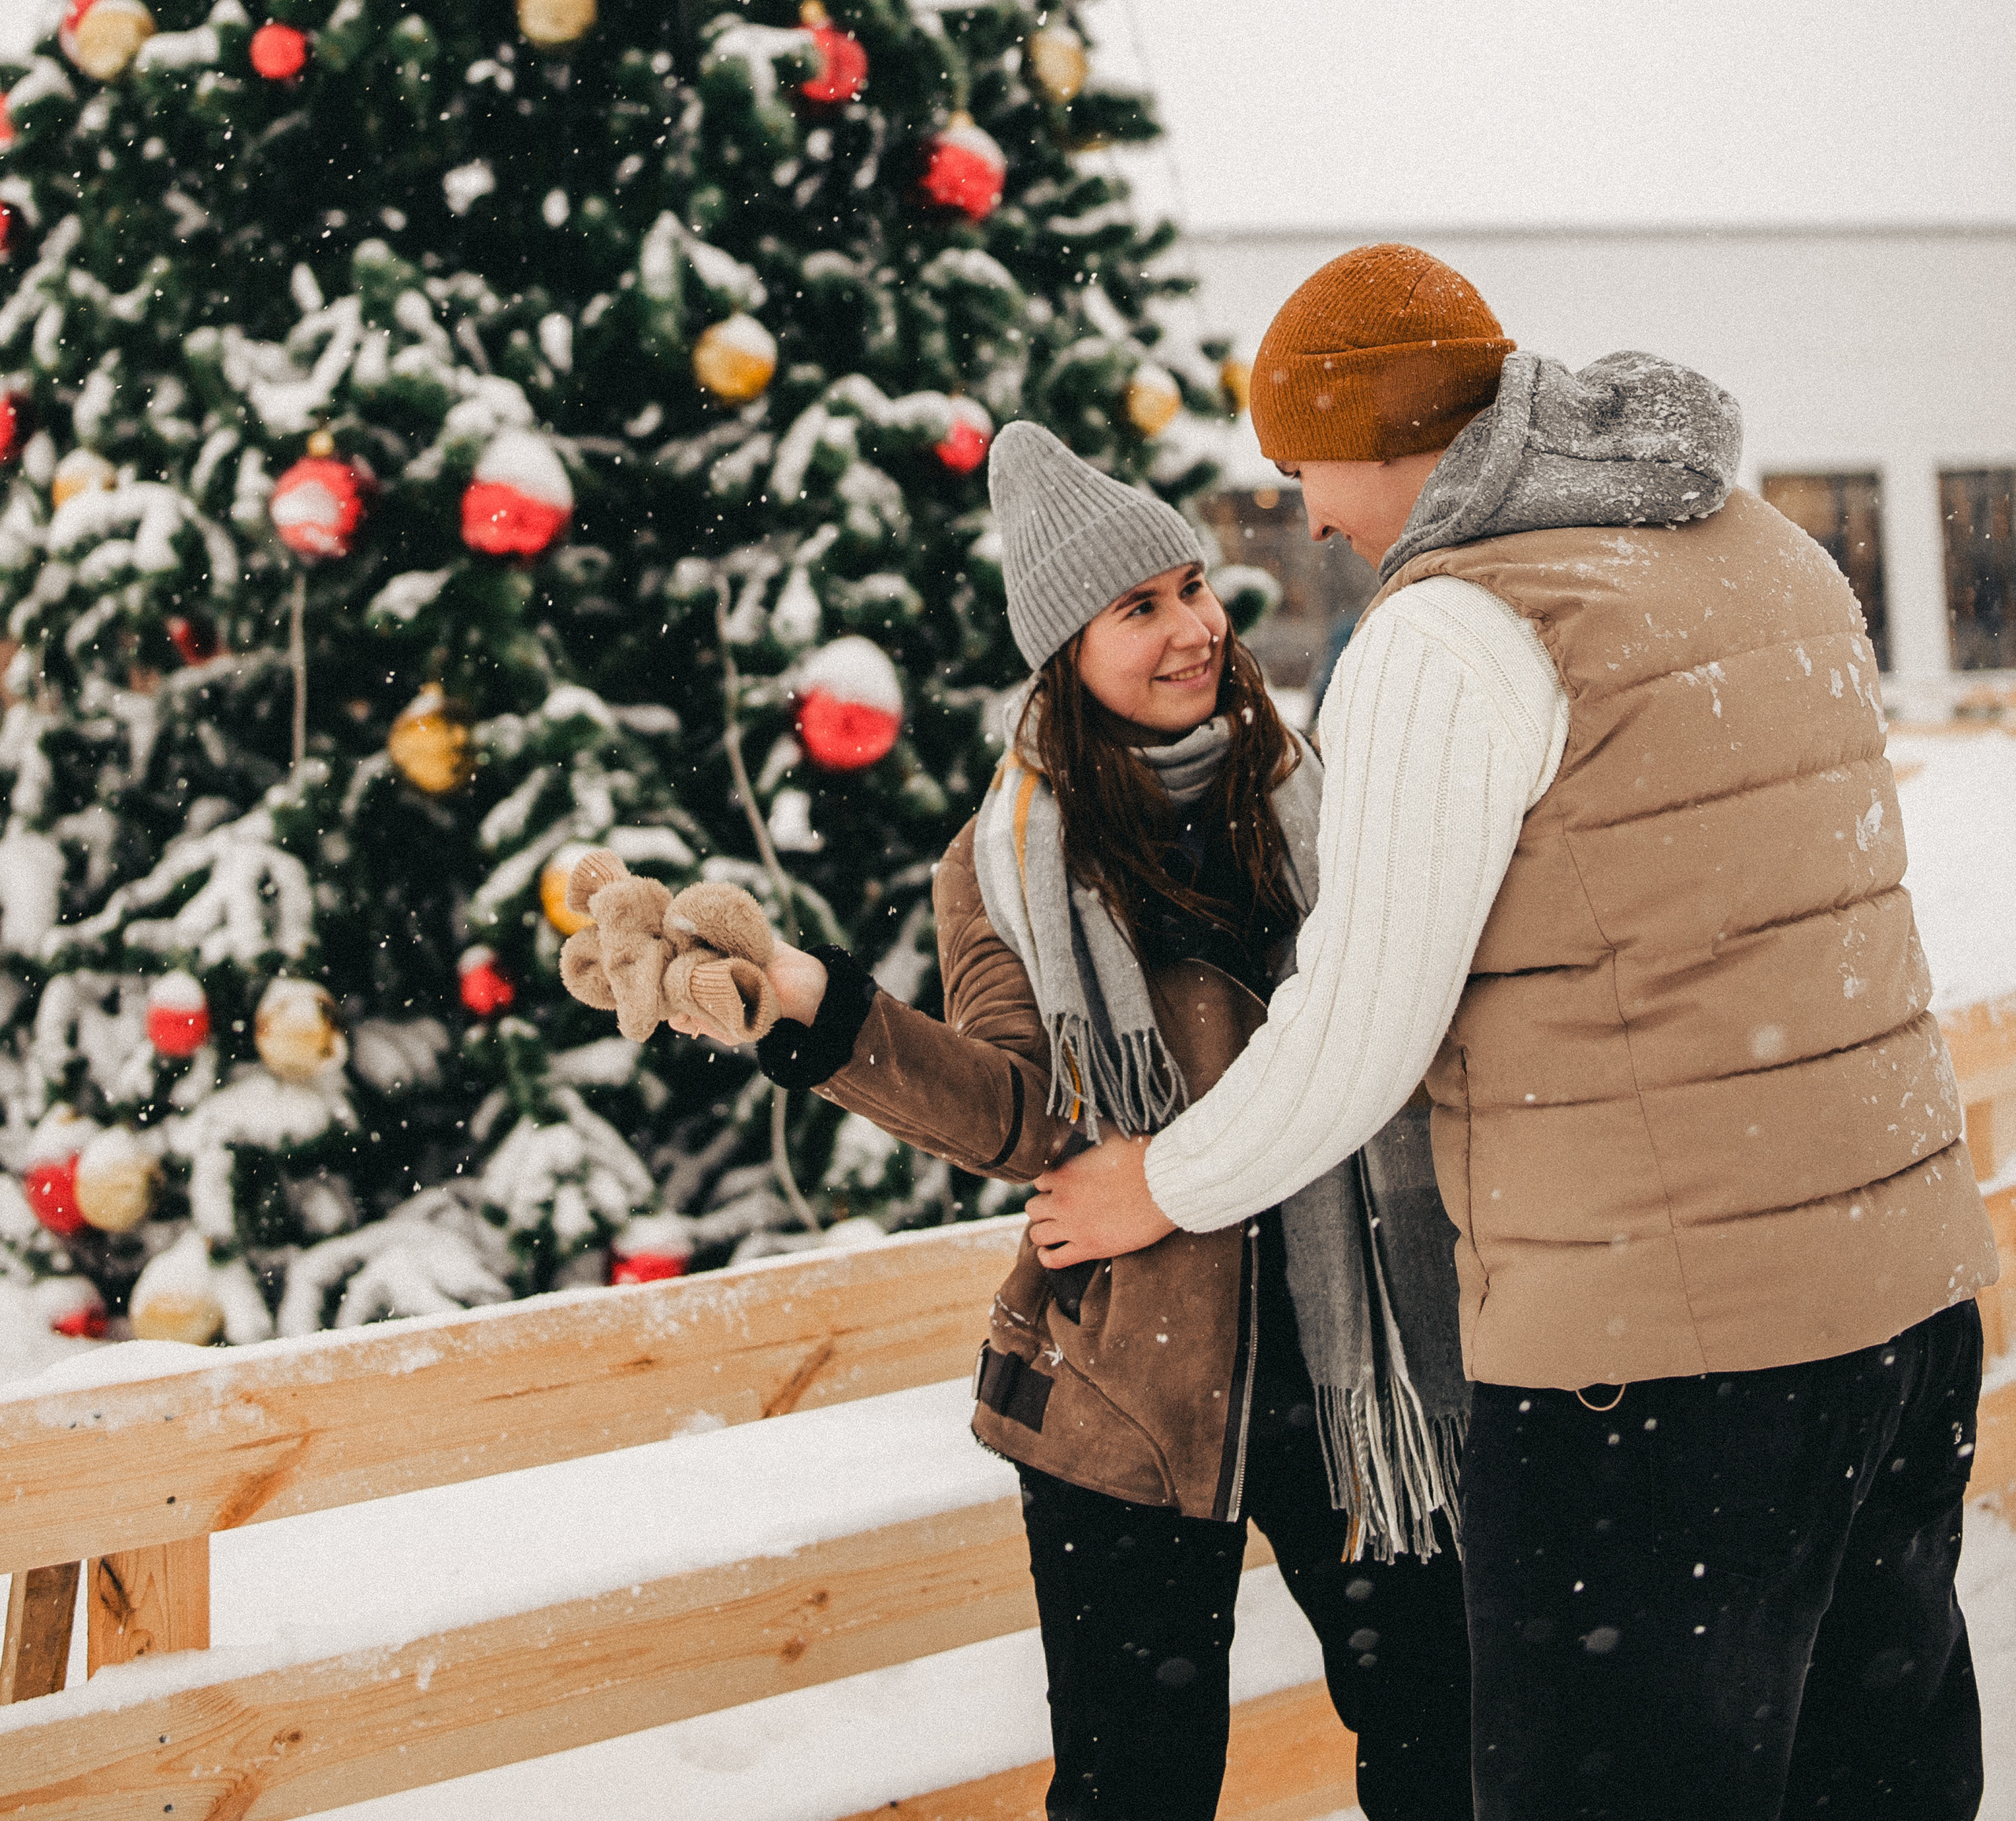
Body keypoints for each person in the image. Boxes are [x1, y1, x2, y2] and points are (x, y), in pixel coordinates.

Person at [1025, 244, 2000, 1821]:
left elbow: (1356, 1029)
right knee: (1863, 1783)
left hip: (1660, 1365)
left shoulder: (1451, 631)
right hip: (1897, 1315)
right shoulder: (1759, 551)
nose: (1315, 519)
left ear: (1373, 430)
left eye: (1304, 469)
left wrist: (1161, 1179)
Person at [730, 423, 1475, 1821]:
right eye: (1139, 609)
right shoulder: (1005, 864)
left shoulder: (1314, 792)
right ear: (1065, 651)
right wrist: (814, 1010)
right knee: (1136, 1791)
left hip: (1360, 1372)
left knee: (1452, 1747)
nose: (1194, 629)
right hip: (1127, 1391)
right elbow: (1021, 1108)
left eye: (1191, 587)